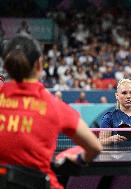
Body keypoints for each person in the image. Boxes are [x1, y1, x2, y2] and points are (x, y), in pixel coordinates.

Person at [0, 35, 103, 189]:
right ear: (39, 65)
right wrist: (79, 160)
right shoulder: (54, 105)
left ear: (6, 68)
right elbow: (95, 147)